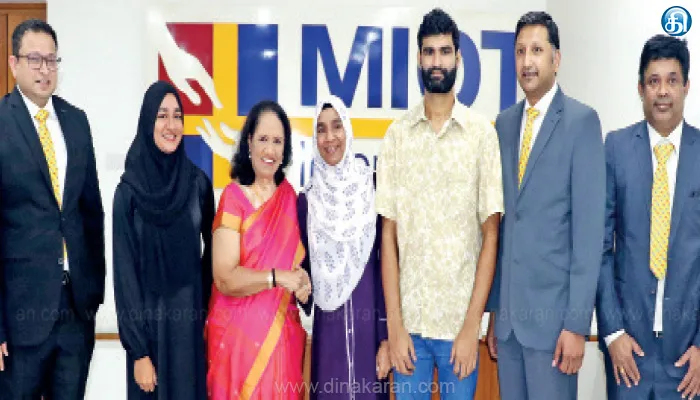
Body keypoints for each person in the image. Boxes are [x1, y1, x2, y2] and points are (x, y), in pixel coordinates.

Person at [375, 8, 503, 400]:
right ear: (418, 58)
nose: (437, 61)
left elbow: (491, 235)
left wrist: (472, 327)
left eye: (445, 52)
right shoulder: (397, 136)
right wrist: (395, 327)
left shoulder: (481, 135)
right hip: (409, 332)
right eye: (429, 52)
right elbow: (388, 237)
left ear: (458, 58)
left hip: (458, 332)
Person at [485, 11, 606, 400]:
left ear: (556, 59)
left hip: (555, 330)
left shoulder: (582, 123)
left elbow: (589, 235)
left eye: (537, 50)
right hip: (509, 326)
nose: (527, 61)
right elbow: (505, 227)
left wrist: (576, 325)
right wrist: (495, 312)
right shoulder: (504, 125)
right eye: (520, 51)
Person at [0, 19, 105, 398]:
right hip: (19, 318)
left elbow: (91, 212)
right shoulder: (2, 122)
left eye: (52, 60)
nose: (45, 69)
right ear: (14, 64)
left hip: (75, 311)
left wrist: (93, 295)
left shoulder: (76, 122)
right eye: (35, 59)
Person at [596, 34, 700, 400]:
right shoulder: (616, 148)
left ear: (686, 86)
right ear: (640, 89)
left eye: (672, 80)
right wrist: (612, 333)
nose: (663, 91)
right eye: (653, 81)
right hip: (628, 353)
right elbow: (599, 248)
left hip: (688, 359)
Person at [112, 80, 214, 399]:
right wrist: (139, 352)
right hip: (148, 338)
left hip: (188, 336)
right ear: (147, 122)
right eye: (161, 116)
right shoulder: (128, 194)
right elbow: (124, 275)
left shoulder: (198, 185)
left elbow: (212, 256)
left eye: (177, 116)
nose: (171, 125)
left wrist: (203, 315)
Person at [205, 100, 311, 399]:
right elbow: (224, 277)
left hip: (282, 343)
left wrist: (303, 282)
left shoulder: (291, 200)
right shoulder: (233, 198)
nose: (270, 150)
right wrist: (277, 277)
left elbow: (299, 267)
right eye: (263, 139)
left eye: (278, 141)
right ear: (249, 142)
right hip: (236, 343)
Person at [298, 95, 390, 399]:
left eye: (337, 126)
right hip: (330, 339)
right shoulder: (307, 202)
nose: (330, 137)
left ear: (348, 130)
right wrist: (299, 287)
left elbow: (387, 266)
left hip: (370, 337)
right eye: (321, 129)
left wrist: (386, 337)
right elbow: (305, 278)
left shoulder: (373, 188)